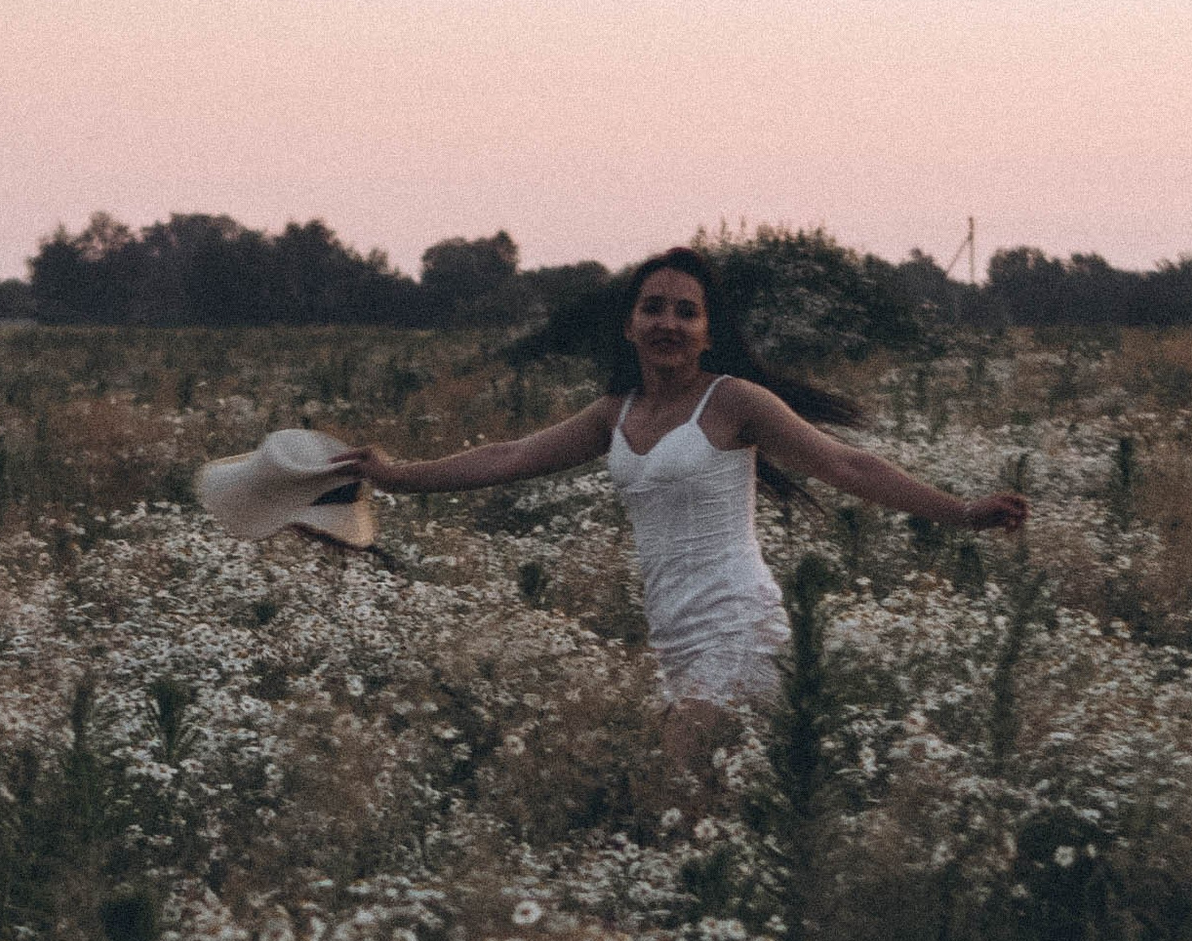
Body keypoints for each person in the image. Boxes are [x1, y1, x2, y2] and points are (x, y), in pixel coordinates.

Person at [337, 245, 1026, 741]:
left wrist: (960, 513)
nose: (668, 322)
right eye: (653, 308)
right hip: (672, 634)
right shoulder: (616, 412)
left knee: (677, 774)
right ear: (629, 324)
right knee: (704, 801)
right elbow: (511, 456)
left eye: (686, 312)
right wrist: (399, 474)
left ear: (707, 332)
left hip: (739, 625)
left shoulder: (733, 402)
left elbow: (849, 467)